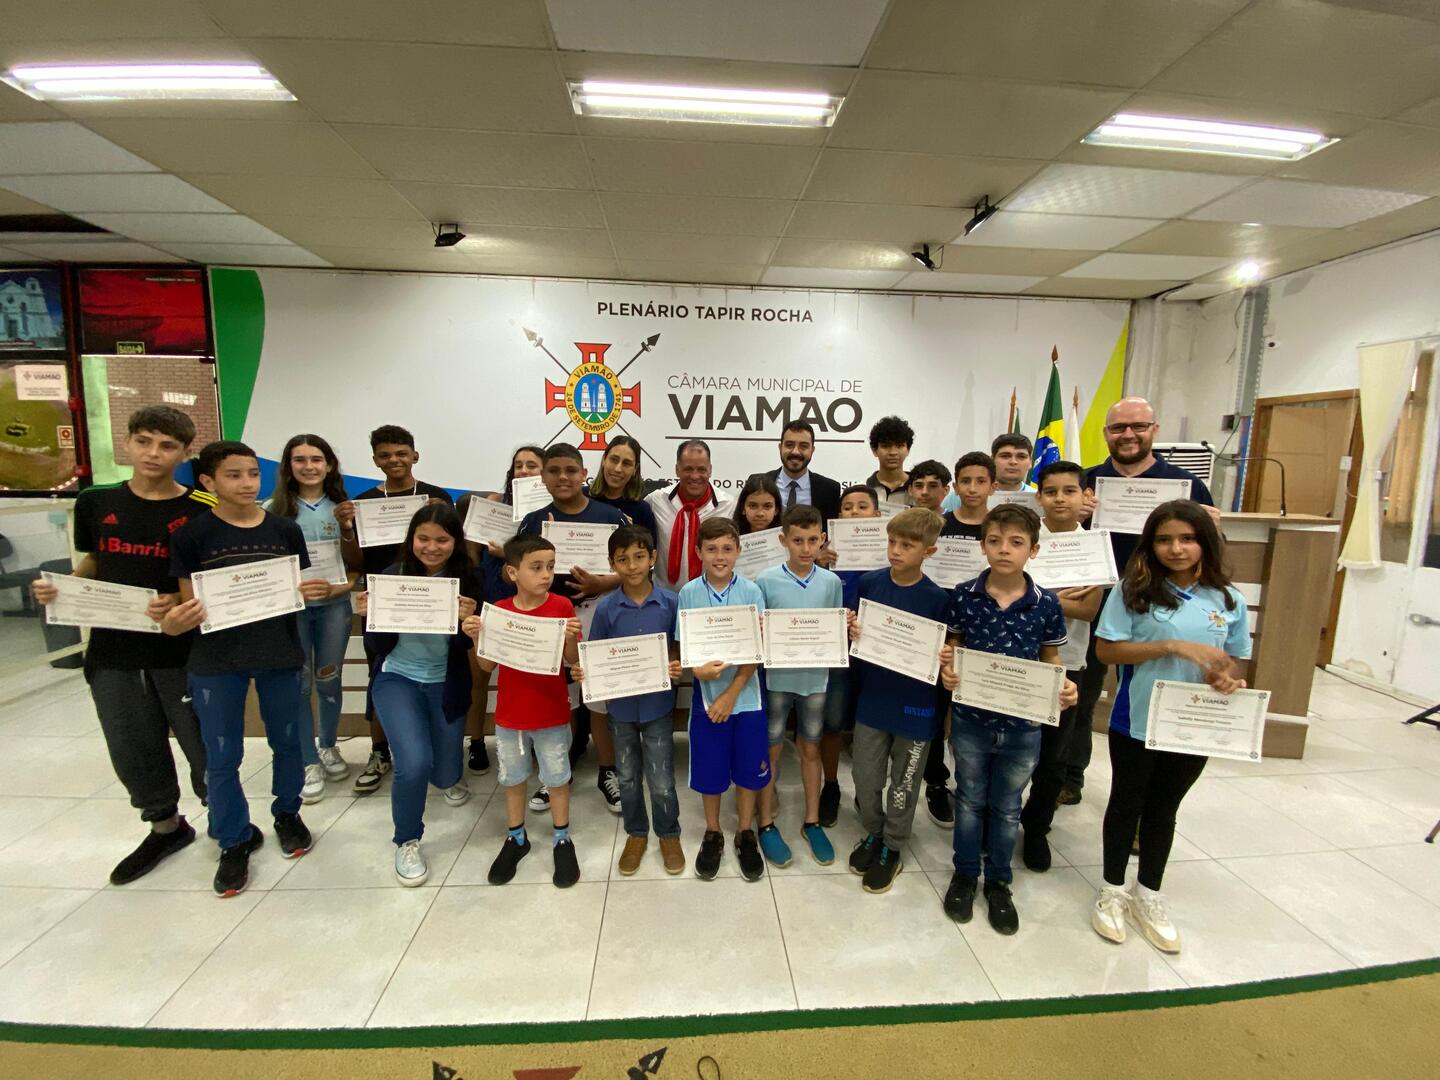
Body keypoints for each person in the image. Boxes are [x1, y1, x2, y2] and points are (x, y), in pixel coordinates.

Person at [30, 405, 215, 885]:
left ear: (185, 453)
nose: (154, 453)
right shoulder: (95, 501)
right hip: (113, 650)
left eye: (167, 446)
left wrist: (177, 599)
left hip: (181, 649)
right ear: (128, 442)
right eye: (145, 441)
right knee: (132, 742)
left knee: (203, 742)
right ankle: (165, 826)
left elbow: (208, 579)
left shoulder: (202, 507)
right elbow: (96, 559)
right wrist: (64, 588)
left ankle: (225, 819)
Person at [163, 440, 324, 897]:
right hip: (216, 660)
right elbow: (189, 602)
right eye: (233, 475)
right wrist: (176, 617)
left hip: (279, 653)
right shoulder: (191, 536)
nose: (247, 483)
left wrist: (305, 592)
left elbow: (294, 587)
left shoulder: (284, 530)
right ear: (208, 482)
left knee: (288, 742)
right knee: (222, 755)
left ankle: (287, 813)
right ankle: (233, 839)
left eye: (253, 473)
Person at [1090, 500, 1249, 954]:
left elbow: (1232, 659)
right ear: (1150, 544)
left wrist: (1226, 678)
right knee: (1126, 803)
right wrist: (1171, 646)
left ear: (1205, 542)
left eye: (1187, 539)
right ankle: (1112, 890)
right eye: (1164, 540)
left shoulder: (1229, 600)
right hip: (1136, 719)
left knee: (1164, 808)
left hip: (1193, 725)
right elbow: (1107, 651)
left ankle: (1149, 894)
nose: (1176, 548)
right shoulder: (1133, 590)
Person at [1065, 398, 1217, 805]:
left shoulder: (1187, 486)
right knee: (1082, 695)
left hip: (1163, 610)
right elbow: (1056, 538)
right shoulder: (1085, 481)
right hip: (1096, 604)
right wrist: (1073, 515)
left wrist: (1214, 527)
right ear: (1106, 434)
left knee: (1153, 698)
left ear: (1154, 429)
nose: (1128, 435)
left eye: (1138, 426)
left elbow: (1207, 549)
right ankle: (1071, 776)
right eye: (1118, 428)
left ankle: (1151, 792)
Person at [941, 504, 1077, 935]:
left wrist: (1063, 685)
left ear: (1033, 550)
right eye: (995, 541)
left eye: (1016, 542)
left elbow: (1051, 657)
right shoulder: (963, 595)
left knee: (1007, 805)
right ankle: (965, 873)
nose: (1004, 550)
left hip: (1023, 725)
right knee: (969, 799)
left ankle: (999, 881)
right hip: (971, 719)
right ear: (982, 545)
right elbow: (953, 646)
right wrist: (948, 670)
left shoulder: (1046, 603)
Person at [356, 504, 480, 885]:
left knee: (444, 774)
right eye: (423, 538)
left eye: (442, 540)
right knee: (413, 763)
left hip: (446, 680)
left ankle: (450, 776)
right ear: (411, 539)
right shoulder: (390, 577)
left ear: (455, 542)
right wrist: (367, 616)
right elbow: (376, 646)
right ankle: (407, 840)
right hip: (398, 677)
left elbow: (467, 645)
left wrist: (470, 622)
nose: (431, 547)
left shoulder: (468, 580)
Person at [339, 424, 453, 798]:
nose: (394, 460)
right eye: (385, 455)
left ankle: (433, 753)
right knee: (381, 675)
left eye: (401, 453)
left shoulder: (435, 497)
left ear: (414, 455)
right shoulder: (364, 502)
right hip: (384, 606)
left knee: (437, 678)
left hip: (433, 604)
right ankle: (379, 752)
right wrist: (347, 529)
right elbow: (356, 561)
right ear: (375, 460)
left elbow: (453, 548)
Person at [845, 507, 952, 895]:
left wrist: (946, 656)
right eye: (892, 542)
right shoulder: (870, 583)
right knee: (865, 776)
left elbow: (947, 650)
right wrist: (851, 628)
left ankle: (893, 845)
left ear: (929, 551)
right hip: (873, 699)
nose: (896, 550)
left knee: (904, 784)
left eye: (907, 545)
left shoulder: (938, 598)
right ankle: (873, 832)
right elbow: (855, 630)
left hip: (916, 707)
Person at [518, 443, 629, 814]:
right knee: (561, 700)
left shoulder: (611, 516)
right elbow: (518, 573)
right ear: (543, 477)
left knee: (600, 698)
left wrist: (602, 583)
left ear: (584, 474)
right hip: (550, 617)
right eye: (554, 471)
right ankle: (556, 775)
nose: (562, 477)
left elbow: (632, 569)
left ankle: (608, 771)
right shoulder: (533, 521)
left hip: (599, 613)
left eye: (570, 470)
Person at [571, 525, 685, 876]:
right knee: (628, 776)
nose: (632, 565)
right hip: (619, 708)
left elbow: (678, 646)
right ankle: (636, 833)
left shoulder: (671, 602)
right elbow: (595, 654)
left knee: (661, 777)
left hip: (657, 705)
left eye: (639, 557)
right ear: (612, 563)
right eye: (623, 559)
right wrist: (584, 671)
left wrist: (676, 663)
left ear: (653, 558)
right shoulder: (606, 608)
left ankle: (668, 833)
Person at [474, 535, 583, 888]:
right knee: (513, 777)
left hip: (551, 712)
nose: (546, 574)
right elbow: (486, 665)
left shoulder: (562, 606)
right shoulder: (500, 610)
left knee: (557, 777)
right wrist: (476, 636)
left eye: (550, 566)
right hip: (511, 715)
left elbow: (572, 661)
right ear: (512, 572)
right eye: (536, 567)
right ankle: (516, 837)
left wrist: (570, 637)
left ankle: (562, 837)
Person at [1018, 461, 1102, 872]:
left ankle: (1037, 828)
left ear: (1085, 496)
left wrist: (1036, 594)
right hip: (1017, 656)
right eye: (1051, 491)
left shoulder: (1093, 546)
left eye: (1069, 491)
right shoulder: (1024, 538)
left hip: (1068, 661)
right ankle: (998, 819)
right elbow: (1008, 595)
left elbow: (1087, 610)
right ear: (1039, 496)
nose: (1059, 499)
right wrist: (1053, 597)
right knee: (1010, 748)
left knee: (1053, 757)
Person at [677, 516, 769, 882]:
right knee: (711, 770)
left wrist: (731, 694)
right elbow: (686, 650)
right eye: (712, 549)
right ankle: (713, 832)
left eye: (727, 549)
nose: (720, 556)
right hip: (707, 702)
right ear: (698, 551)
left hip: (746, 699)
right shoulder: (688, 593)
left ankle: (745, 831)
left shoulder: (751, 591)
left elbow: (756, 652)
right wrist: (696, 671)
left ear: (738, 551)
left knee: (748, 770)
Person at [266, 434, 356, 804]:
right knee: (300, 685)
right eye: (300, 460)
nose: (309, 466)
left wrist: (343, 587)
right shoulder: (272, 510)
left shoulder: (343, 509)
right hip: (294, 609)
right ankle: (308, 760)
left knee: (329, 680)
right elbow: (267, 568)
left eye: (316, 459)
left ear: (329, 465)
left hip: (335, 605)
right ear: (288, 466)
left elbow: (356, 563)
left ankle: (329, 745)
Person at [756, 505, 843, 867]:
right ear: (783, 540)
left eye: (812, 540)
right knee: (772, 749)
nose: (805, 548)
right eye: (797, 541)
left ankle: (811, 820)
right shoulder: (765, 580)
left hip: (815, 679)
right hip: (777, 679)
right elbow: (758, 631)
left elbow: (835, 631)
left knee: (811, 747)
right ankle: (765, 821)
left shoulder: (831, 583)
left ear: (822, 539)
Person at [464, 444, 543, 777]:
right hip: (490, 596)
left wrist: (508, 553)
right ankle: (477, 741)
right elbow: (470, 555)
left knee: (530, 677)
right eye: (518, 465)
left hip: (531, 602)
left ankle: (534, 741)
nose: (523, 471)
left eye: (531, 465)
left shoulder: (547, 512)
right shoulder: (493, 503)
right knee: (479, 676)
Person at [816, 483, 880, 827]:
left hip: (876, 653)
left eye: (862, 507)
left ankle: (868, 790)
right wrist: (818, 565)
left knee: (870, 725)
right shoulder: (825, 558)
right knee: (833, 721)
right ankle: (830, 785)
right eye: (847, 507)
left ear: (877, 515)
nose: (854, 512)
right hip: (837, 651)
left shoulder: (891, 554)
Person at [646, 439, 733, 593]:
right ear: (677, 469)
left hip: (710, 598)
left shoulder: (729, 505)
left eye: (701, 469)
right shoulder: (656, 500)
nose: (695, 476)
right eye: (688, 469)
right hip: (663, 597)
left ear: (710, 470)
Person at [750, 420, 841, 521]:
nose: (795, 452)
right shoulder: (758, 483)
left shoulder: (830, 490)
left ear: (812, 450)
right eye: (789, 445)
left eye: (803, 446)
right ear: (780, 447)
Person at [942, 434, 1034, 514]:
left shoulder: (1037, 498)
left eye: (1021, 456)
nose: (1013, 462)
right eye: (1005, 456)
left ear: (1030, 462)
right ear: (992, 460)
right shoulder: (959, 496)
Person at [941, 452, 995, 539]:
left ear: (992, 488)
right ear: (956, 488)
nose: (972, 489)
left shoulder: (1001, 528)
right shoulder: (938, 525)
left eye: (981, 481)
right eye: (965, 481)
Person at [865, 415, 915, 509]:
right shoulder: (864, 488)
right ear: (874, 450)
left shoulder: (919, 489)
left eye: (899, 446)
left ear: (908, 449)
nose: (893, 452)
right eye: (886, 446)